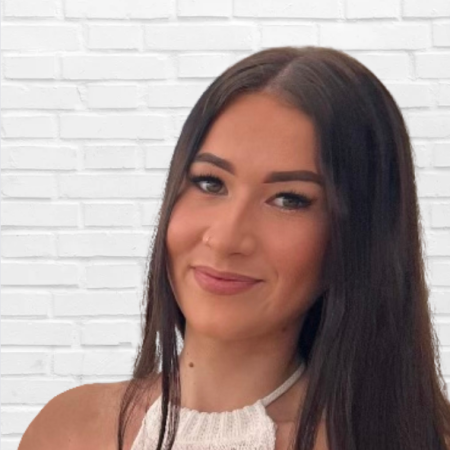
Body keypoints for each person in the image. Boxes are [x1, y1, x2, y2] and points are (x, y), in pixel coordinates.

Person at [18, 46, 450, 450]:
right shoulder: (68, 430)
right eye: (210, 183)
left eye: (289, 199)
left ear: (359, 238)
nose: (226, 238)